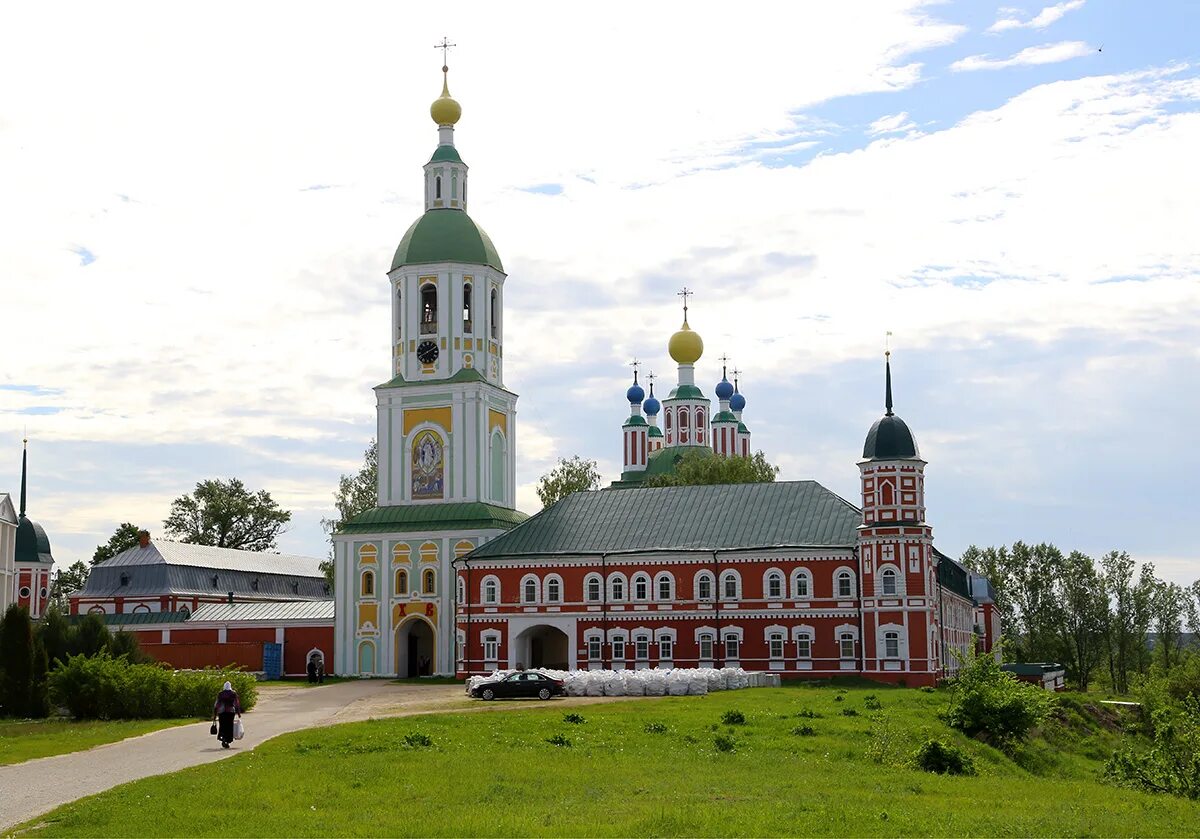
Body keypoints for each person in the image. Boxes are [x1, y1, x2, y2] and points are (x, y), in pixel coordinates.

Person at [212, 680, 242, 749]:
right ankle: (227, 740)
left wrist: (215, 714)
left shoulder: (220, 694)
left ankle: (222, 737)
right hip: (230, 712)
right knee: (229, 726)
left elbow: (217, 704)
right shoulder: (233, 694)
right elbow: (237, 704)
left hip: (221, 712)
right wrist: (239, 713)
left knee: (222, 725)